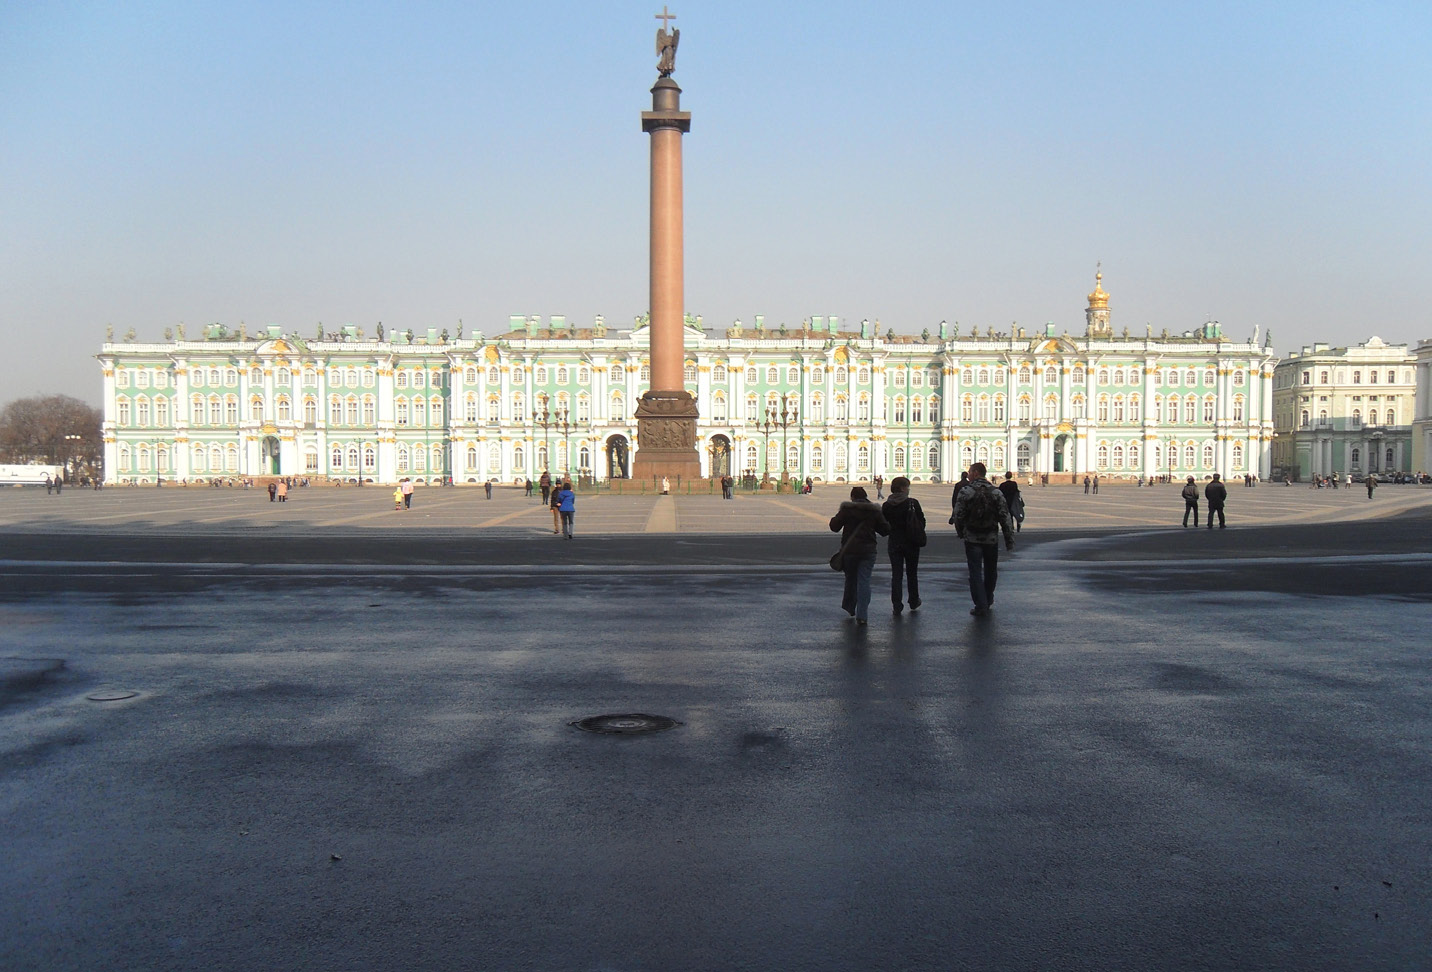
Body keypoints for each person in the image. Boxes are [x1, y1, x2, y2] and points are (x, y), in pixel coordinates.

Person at [952, 462, 1014, 616]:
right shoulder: (996, 492)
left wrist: (961, 532)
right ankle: (988, 597)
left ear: (975, 473)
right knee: (991, 570)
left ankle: (981, 604)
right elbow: (1005, 517)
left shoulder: (966, 491)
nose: (969, 474)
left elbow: (958, 515)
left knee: (975, 571)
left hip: (972, 538)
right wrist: (1009, 539)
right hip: (991, 538)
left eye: (970, 471)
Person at [829, 486, 889, 625]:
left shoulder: (847, 510)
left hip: (850, 551)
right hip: (868, 551)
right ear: (866, 496)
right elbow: (885, 530)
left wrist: (835, 518)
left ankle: (850, 608)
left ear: (852, 497)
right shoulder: (874, 510)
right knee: (864, 581)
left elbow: (834, 527)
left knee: (850, 579)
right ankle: (862, 615)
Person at [881, 476, 925, 614]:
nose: (908, 489)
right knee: (912, 573)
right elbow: (922, 521)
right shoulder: (912, 503)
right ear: (902, 488)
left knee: (896, 574)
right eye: (907, 487)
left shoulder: (887, 505)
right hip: (911, 542)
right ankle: (913, 600)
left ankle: (897, 604)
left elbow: (883, 525)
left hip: (894, 542)